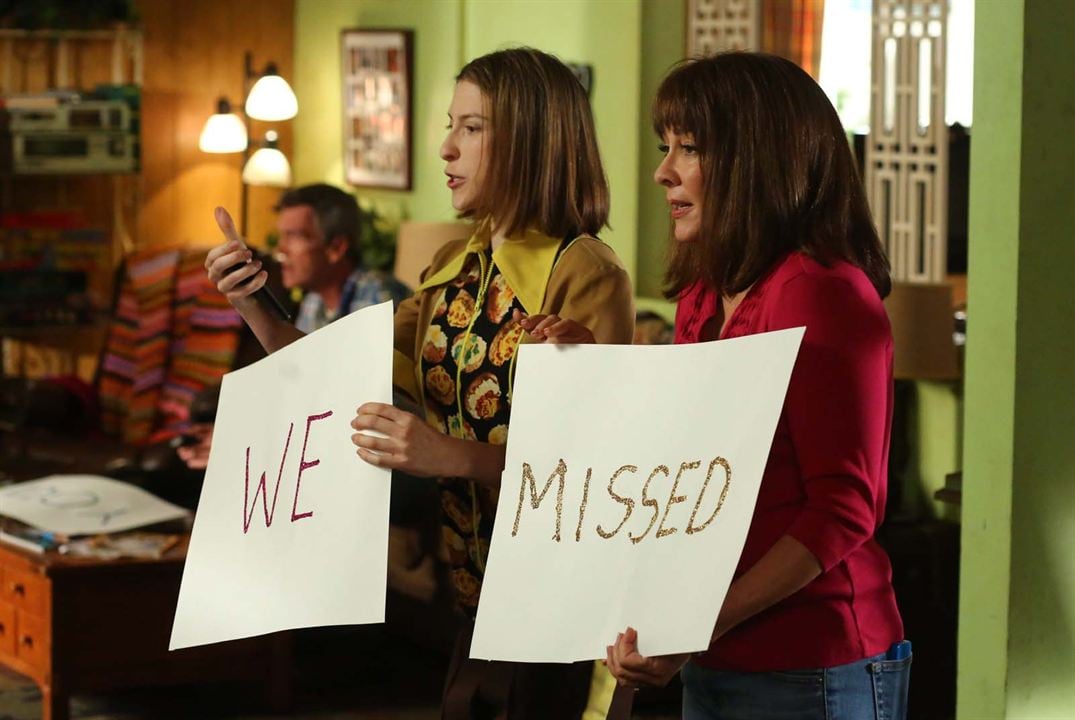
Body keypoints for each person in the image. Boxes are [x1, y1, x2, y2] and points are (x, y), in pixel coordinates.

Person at [204, 48, 635, 720]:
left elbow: (593, 476)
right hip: (471, 590)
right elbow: (323, 371)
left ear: (528, 139)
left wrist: (448, 455)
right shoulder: (451, 266)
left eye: (471, 128)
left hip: (556, 603)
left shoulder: (586, 272)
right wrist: (253, 301)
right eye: (449, 125)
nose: (445, 147)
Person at [604, 52, 909, 720]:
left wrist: (698, 621)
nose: (662, 171)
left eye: (689, 149)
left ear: (754, 161)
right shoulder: (701, 290)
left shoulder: (821, 294)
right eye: (666, 147)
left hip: (812, 663)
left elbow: (844, 508)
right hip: (713, 652)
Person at [178, 183, 410, 470]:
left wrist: (245, 444)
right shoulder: (314, 301)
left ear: (336, 247)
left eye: (293, 237)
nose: (280, 251)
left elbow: (352, 401)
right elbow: (298, 382)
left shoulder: (378, 297)